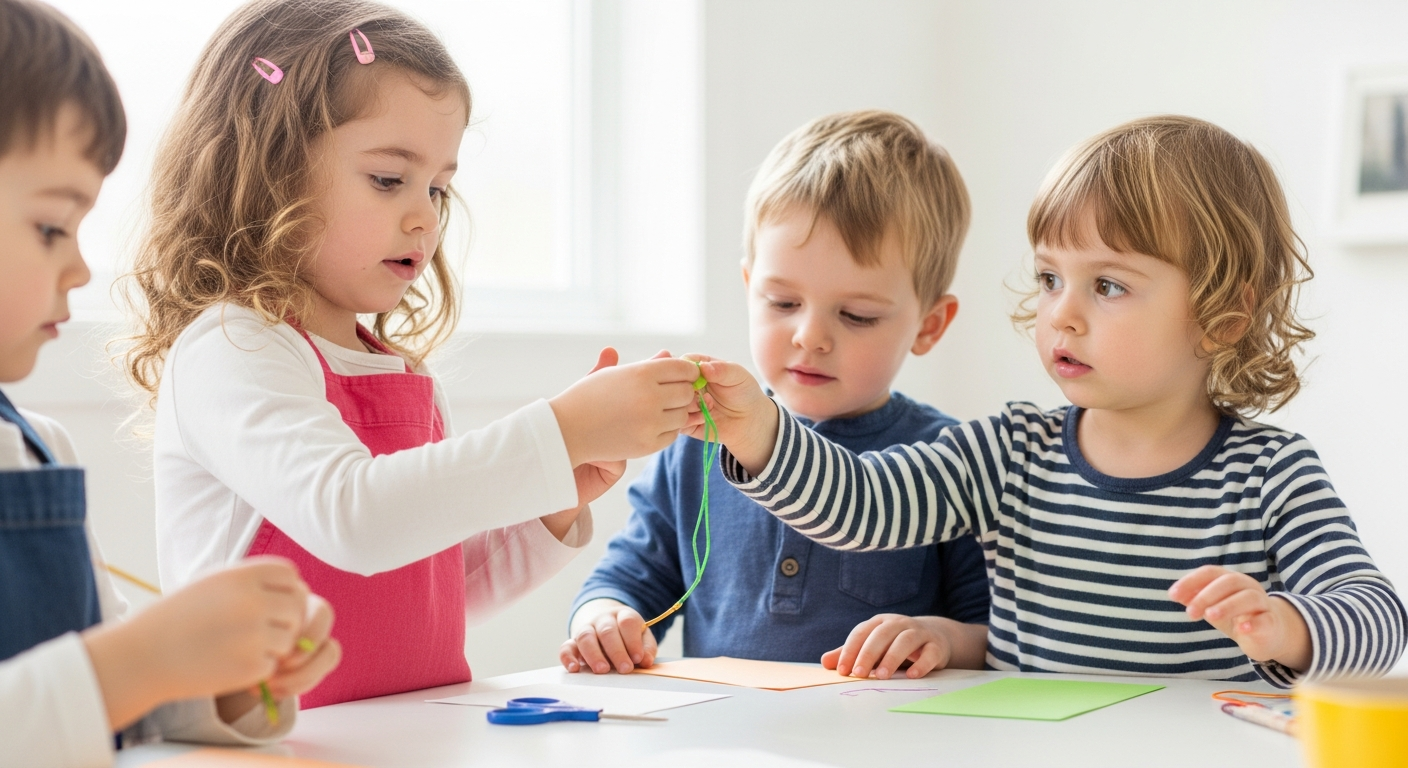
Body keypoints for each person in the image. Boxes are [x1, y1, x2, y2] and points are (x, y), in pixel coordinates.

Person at [122, 0, 702, 708]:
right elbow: (355, 519)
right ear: (271, 170)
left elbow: (429, 592)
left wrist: (552, 501)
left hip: (405, 737)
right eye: (389, 179)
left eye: (438, 188)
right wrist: (561, 429)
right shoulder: (231, 347)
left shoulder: (401, 374)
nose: (426, 215)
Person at [692, 115, 1407, 685]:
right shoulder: (1008, 452)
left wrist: (1291, 626)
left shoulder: (1269, 475)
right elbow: (863, 503)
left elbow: (1377, 616)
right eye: (1049, 278)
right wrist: (760, 431)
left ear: (1222, 316)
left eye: (1108, 285)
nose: (1061, 313)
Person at [0, 2, 339, 764]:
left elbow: (114, 702)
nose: (82, 267)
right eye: (52, 226)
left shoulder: (37, 449)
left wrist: (223, 680)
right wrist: (139, 661)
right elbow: (104, 679)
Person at [562, 111, 990, 680]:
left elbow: (996, 632)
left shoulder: (948, 460)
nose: (809, 335)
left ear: (930, 325)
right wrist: (604, 620)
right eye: (782, 303)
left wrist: (939, 637)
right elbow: (626, 580)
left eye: (857, 315)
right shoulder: (696, 446)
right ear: (749, 288)